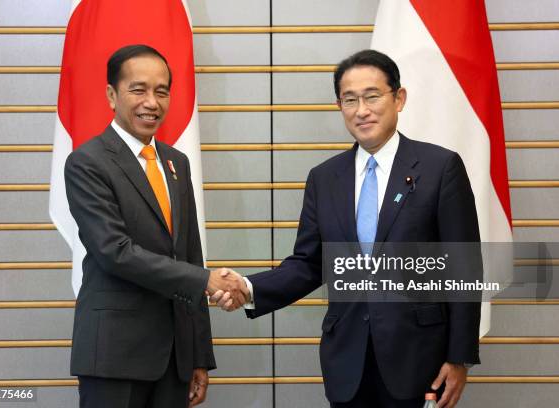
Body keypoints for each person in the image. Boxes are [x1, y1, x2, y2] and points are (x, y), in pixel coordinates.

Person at [211, 49, 481, 408]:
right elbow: (309, 263)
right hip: (347, 361)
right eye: (349, 99)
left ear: (398, 98)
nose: (361, 110)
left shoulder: (439, 167)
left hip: (419, 358)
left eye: (372, 96)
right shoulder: (325, 178)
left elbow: (464, 268)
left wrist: (458, 357)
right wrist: (248, 287)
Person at [64, 44, 248, 408]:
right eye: (139, 89)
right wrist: (206, 281)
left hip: (173, 360)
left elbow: (190, 255)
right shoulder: (87, 163)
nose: (152, 102)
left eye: (161, 91)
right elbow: (115, 252)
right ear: (112, 95)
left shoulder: (175, 162)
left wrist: (198, 355)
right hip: (114, 356)